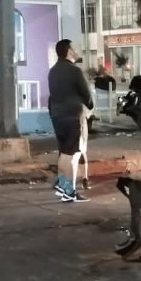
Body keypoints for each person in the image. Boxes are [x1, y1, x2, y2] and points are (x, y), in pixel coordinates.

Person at [48, 39, 94, 203]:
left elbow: (51, 96)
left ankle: (63, 186)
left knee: (64, 153)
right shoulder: (74, 71)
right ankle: (69, 191)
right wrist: (90, 106)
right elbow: (86, 95)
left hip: (57, 116)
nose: (78, 50)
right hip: (73, 116)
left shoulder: (53, 71)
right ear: (69, 51)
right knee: (72, 156)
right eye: (75, 47)